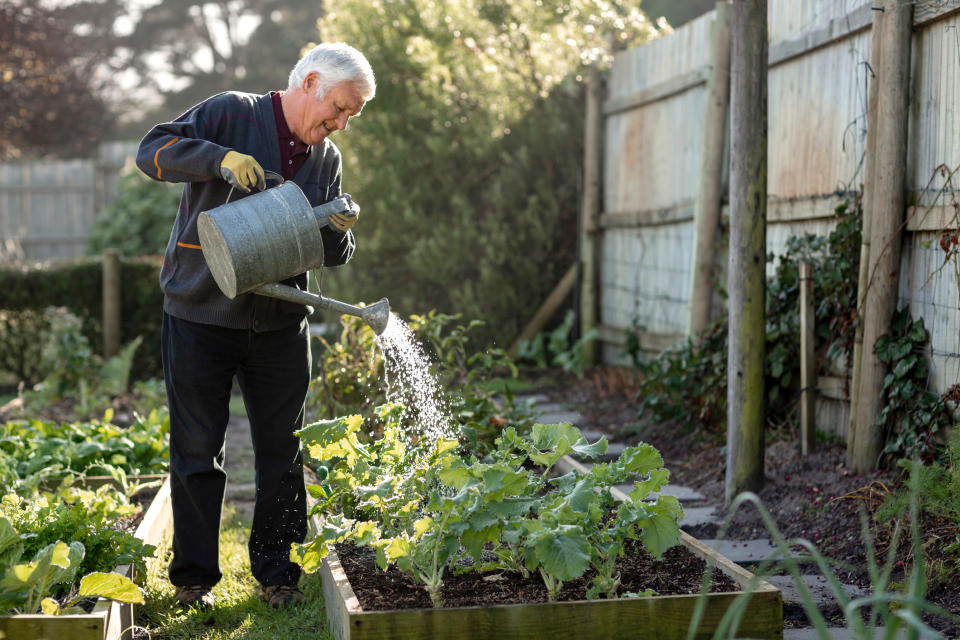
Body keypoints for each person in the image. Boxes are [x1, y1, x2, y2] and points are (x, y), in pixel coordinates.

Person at [135, 42, 375, 610]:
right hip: (199, 312)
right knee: (196, 451)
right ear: (311, 82)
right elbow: (152, 151)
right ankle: (194, 580)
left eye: (350, 117)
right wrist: (218, 160)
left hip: (279, 322)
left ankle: (278, 574)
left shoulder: (327, 159)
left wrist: (340, 228)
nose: (341, 124)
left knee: (283, 452)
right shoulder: (230, 114)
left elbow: (331, 253)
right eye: (340, 108)